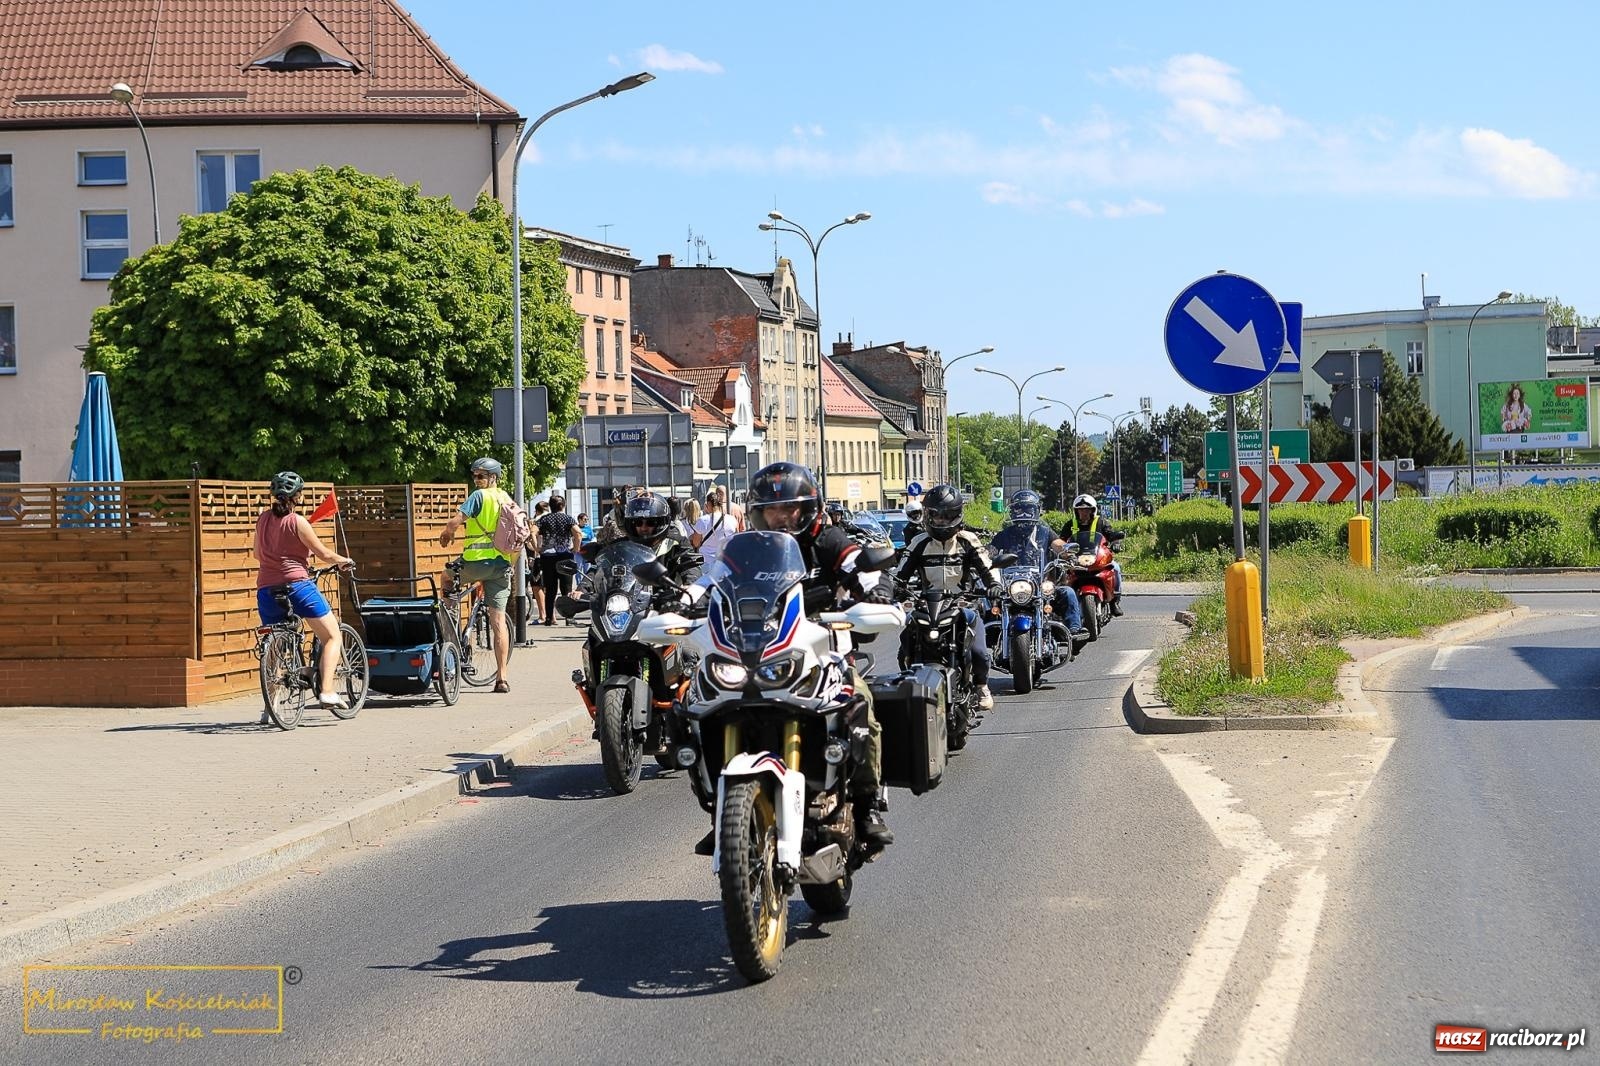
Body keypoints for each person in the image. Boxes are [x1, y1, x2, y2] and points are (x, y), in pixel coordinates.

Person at [690, 461, 895, 854]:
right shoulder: (746, 549)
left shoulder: (829, 540)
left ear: (808, 509)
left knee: (862, 705)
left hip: (823, 655)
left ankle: (867, 807)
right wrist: (681, 600)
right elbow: (712, 579)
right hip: (759, 653)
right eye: (771, 510)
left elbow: (860, 565)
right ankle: (723, 812)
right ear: (757, 512)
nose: (781, 517)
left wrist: (877, 589)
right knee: (697, 707)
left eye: (789, 509)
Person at [253, 471, 356, 720]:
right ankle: (328, 691)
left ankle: (271, 704)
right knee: (332, 636)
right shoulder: (298, 521)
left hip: (266, 589)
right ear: (297, 496)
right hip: (297, 586)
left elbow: (257, 554)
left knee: (276, 643)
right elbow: (323, 554)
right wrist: (343, 560)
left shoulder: (262, 519)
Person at [895, 484, 1003, 710]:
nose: (941, 521)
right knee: (906, 641)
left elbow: (987, 567)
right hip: (927, 604)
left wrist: (993, 585)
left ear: (957, 515)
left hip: (962, 604)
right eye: (935, 516)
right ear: (927, 515)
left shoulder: (968, 540)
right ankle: (908, 681)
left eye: (946, 516)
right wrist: (890, 589)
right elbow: (900, 574)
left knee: (980, 653)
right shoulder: (919, 542)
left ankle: (981, 685)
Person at [438, 458, 523, 692]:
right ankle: (502, 679)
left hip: (475, 562)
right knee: (498, 622)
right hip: (501, 566)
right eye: (475, 476)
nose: (477, 480)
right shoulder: (507, 498)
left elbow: (454, 521)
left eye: (481, 476)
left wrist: (447, 534)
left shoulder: (479, 497)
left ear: (493, 477)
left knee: (445, 578)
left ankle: (450, 612)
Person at [992, 489, 1084, 634]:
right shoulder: (1005, 534)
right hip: (1010, 585)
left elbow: (1057, 543)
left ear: (1036, 510)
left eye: (1028, 508)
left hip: (1040, 584)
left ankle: (1074, 629)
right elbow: (992, 549)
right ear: (1012, 511)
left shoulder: (1044, 531)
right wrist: (983, 554)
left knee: (1068, 592)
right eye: (1019, 508)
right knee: (987, 596)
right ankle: (987, 632)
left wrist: (1067, 551)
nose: (1024, 513)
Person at [1059, 493, 1123, 616]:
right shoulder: (1070, 525)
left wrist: (1115, 543)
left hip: (1097, 557)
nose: (1084, 512)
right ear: (1076, 511)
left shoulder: (1101, 522)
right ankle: (1062, 606)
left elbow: (1110, 535)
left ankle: (1114, 601)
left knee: (1115, 568)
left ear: (1093, 510)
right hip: (1076, 559)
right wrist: (1060, 550)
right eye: (1080, 510)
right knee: (1061, 572)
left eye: (1087, 509)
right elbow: (1061, 540)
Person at [535, 494, 583, 626]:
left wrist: (537, 548)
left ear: (550, 506)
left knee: (550, 589)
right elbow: (578, 533)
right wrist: (575, 549)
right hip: (565, 556)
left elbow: (532, 532)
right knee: (566, 588)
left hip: (548, 557)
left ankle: (549, 618)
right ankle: (569, 617)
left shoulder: (544, 519)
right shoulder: (568, 519)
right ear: (563, 505)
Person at [693, 487, 737, 568]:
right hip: (725, 562)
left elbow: (695, 543)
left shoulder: (703, 520)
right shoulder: (732, 520)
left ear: (708, 504)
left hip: (706, 562)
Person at [528, 499, 551, 623]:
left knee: (537, 586)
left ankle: (543, 615)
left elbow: (531, 539)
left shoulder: (537, 521)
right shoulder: (552, 519)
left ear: (537, 510)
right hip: (553, 555)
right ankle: (551, 616)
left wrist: (535, 548)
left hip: (539, 556)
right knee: (549, 586)